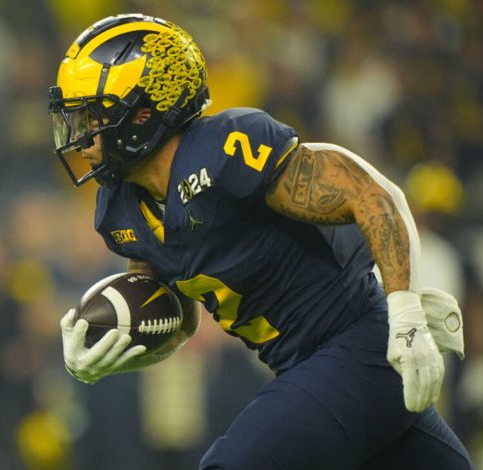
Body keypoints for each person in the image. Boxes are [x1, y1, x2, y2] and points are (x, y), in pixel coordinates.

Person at [49, 14, 473, 469]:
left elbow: (372, 194)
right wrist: (113, 351)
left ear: (144, 112)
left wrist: (404, 310)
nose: (82, 137)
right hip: (308, 369)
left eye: (94, 115)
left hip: (361, 344)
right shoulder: (119, 211)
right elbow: (178, 317)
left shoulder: (228, 147)